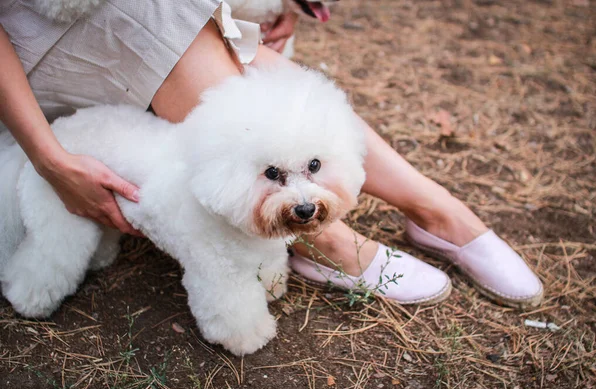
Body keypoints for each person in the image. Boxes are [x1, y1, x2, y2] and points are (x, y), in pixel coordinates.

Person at [0, 0, 543, 309]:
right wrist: (49, 158)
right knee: (148, 18)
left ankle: (434, 208)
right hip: (32, 43)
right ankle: (323, 237)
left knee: (245, 65)